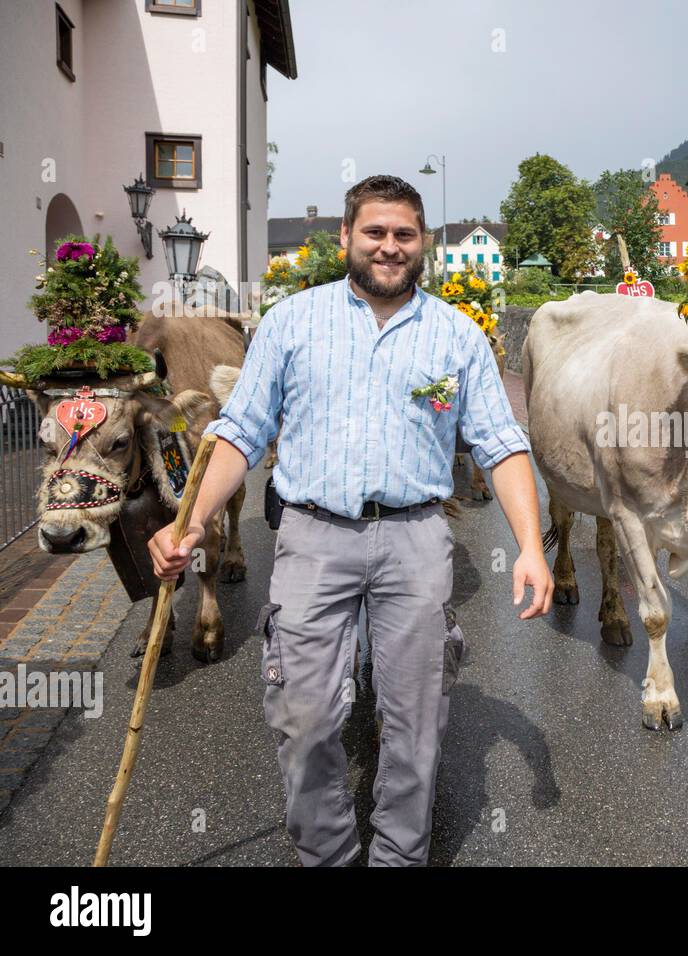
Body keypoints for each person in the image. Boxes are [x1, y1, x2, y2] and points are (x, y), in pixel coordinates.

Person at [148, 174, 553, 865]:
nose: (389, 247)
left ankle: (399, 855)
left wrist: (529, 547)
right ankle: (329, 854)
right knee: (303, 716)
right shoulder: (290, 324)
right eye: (375, 232)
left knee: (415, 719)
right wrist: (191, 522)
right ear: (345, 237)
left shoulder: (456, 336)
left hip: (417, 541)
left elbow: (502, 443)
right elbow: (240, 432)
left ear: (422, 243)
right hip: (312, 535)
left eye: (404, 235)